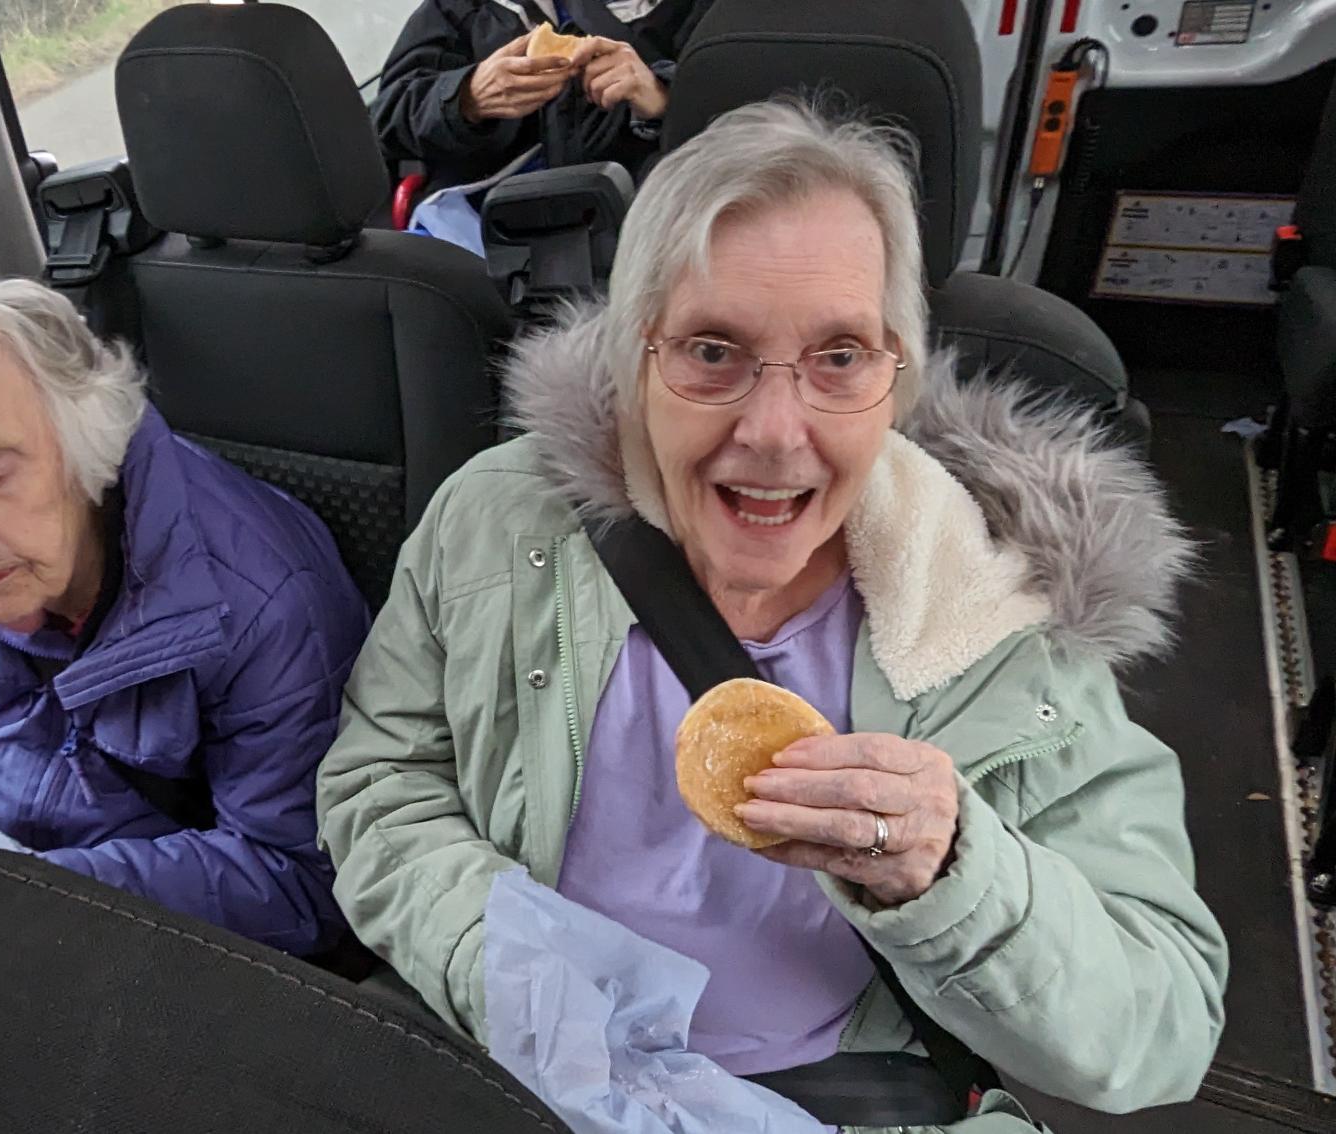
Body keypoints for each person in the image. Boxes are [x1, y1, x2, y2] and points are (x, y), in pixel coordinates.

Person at [318, 100, 1228, 1127]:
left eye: (839, 357)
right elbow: (380, 778)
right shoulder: (496, 519)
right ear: (634, 363)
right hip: (508, 1059)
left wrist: (954, 874)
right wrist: (498, 959)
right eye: (713, 350)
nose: (776, 433)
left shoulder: (1006, 623)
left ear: (897, 378)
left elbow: (1163, 1029)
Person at [0, 278, 367, 957]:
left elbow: (299, 879)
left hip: (165, 956)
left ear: (85, 444)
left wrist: (35, 892)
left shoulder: (264, 601)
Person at [371, 0, 713, 194]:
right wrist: (465, 97)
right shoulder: (461, 8)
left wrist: (663, 97)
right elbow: (385, 121)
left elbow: (740, 113)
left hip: (647, 215)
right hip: (492, 235)